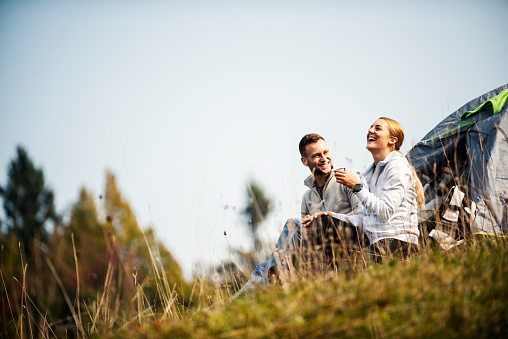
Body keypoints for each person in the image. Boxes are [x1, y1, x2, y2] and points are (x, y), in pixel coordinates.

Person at [233, 134, 360, 297]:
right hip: (317, 252)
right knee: (261, 269)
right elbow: (306, 234)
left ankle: (275, 276)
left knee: (292, 224)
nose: (324, 158)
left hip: (345, 243)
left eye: (326, 152)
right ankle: (232, 305)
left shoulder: (346, 178)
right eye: (316, 155)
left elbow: (363, 216)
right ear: (305, 161)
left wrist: (328, 216)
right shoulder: (307, 198)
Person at [308, 117, 424, 262]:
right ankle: (313, 274)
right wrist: (331, 215)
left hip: (398, 242)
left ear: (392, 140)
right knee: (323, 222)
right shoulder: (369, 174)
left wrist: (356, 187)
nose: (370, 131)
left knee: (351, 268)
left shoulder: (397, 166)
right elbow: (364, 219)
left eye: (378, 128)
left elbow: (385, 212)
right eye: (371, 127)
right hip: (374, 240)